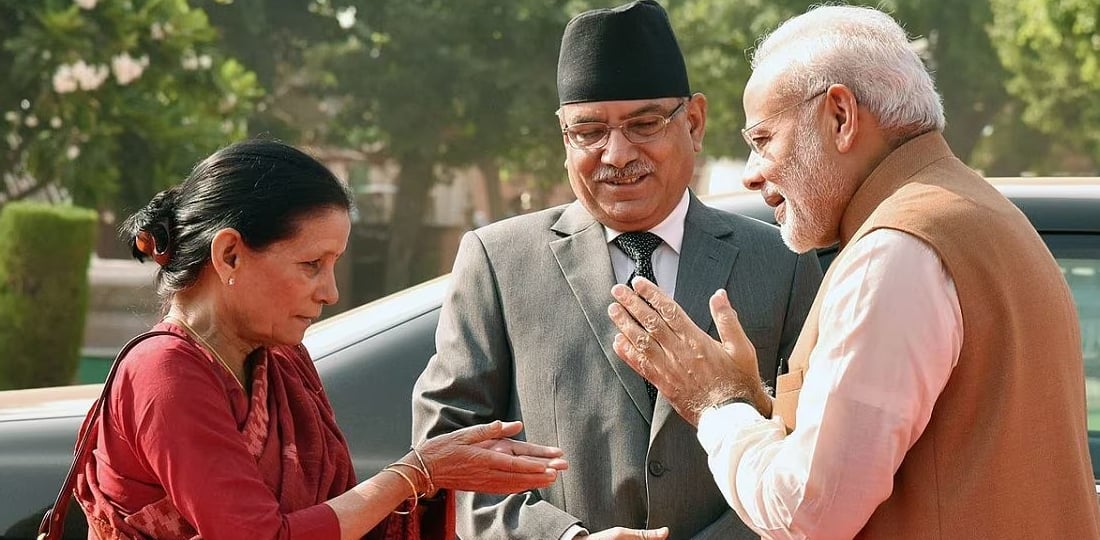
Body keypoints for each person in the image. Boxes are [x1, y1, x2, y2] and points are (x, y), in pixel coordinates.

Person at [607, 5, 1100, 539]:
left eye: (763, 140)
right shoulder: (981, 215)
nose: (751, 174)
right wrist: (755, 405)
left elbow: (807, 511)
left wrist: (717, 403)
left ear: (840, 117)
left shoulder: (896, 249)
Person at [411, 2, 821, 539]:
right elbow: (449, 451)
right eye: (589, 131)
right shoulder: (500, 261)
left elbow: (817, 441)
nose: (618, 153)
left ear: (694, 122)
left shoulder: (781, 259)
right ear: (564, 135)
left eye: (644, 124)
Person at [73, 140, 568, 540]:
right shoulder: (165, 371)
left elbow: (335, 515)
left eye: (333, 265)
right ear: (229, 256)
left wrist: (439, 476)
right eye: (311, 265)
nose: (330, 292)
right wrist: (417, 472)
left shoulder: (282, 359)